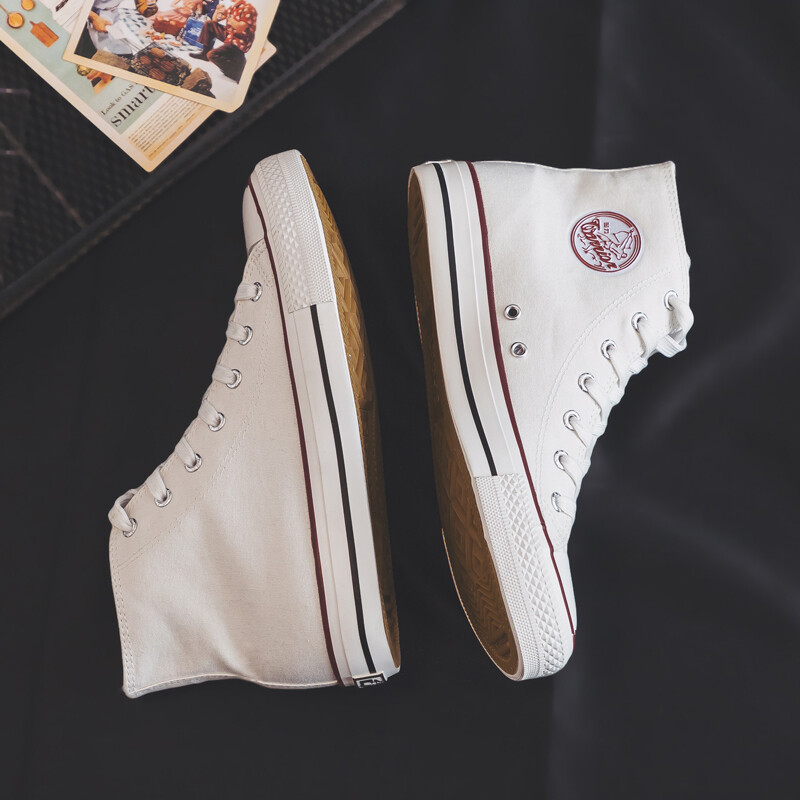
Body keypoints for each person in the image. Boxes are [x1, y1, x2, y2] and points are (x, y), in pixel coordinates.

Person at [189, 0, 257, 82]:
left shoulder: (248, 8)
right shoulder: (232, 7)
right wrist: (217, 10)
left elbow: (240, 29)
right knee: (209, 24)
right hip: (230, 34)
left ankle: (237, 72)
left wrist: (229, 17)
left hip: (240, 40)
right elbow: (214, 20)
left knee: (212, 55)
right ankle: (204, 54)